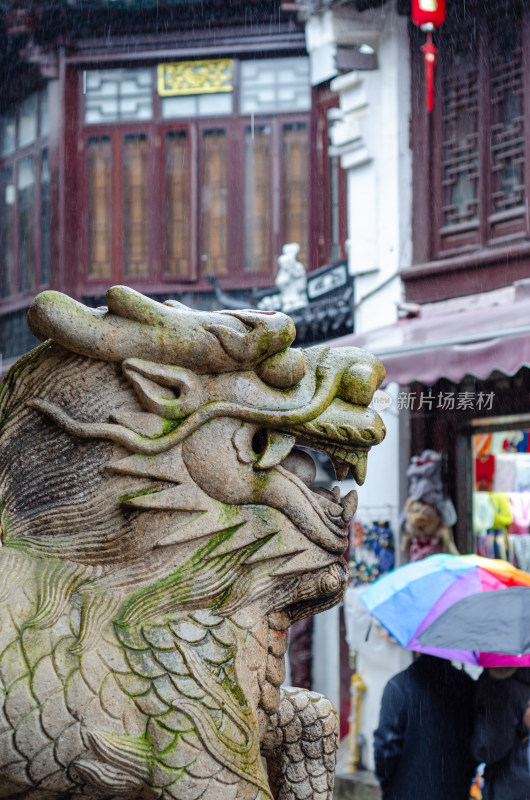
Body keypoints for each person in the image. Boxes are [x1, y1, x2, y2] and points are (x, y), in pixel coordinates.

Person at [373, 653, 476, 800]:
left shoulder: (399, 686)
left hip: (406, 791)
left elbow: (385, 750)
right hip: (455, 790)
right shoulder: (466, 685)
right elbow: (475, 741)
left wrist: (389, 784)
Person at [472, 666, 530, 799]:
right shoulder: (524, 683)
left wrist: (474, 750)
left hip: (508, 784)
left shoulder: (502, 688)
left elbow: (491, 747)